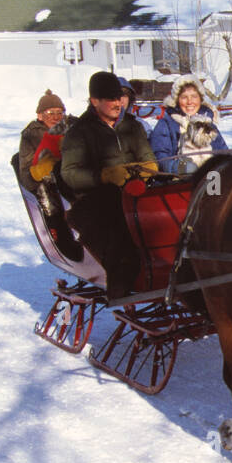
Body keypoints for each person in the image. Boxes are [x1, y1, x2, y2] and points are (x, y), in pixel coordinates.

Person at [61, 71, 158, 300]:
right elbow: (70, 174)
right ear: (95, 101)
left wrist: (149, 167)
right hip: (93, 200)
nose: (117, 104)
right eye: (110, 99)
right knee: (118, 226)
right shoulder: (79, 132)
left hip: (133, 191)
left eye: (119, 98)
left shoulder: (132, 127)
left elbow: (147, 157)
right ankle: (121, 286)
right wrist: (104, 176)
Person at [149, 75, 228, 174]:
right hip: (177, 181)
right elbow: (159, 156)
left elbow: (223, 152)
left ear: (200, 99)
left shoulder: (208, 124)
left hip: (209, 179)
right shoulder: (166, 124)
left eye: (194, 96)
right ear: (177, 100)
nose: (190, 102)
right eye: (184, 97)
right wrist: (177, 167)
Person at [17, 89, 68, 193]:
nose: (55, 117)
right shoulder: (32, 135)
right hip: (50, 188)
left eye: (59, 113)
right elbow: (26, 179)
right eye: (50, 113)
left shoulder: (71, 127)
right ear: (40, 116)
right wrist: (38, 172)